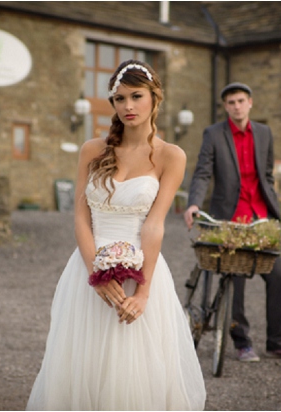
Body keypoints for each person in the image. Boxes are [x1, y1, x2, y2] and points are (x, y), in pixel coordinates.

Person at [26, 60, 206, 410]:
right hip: (86, 272)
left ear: (155, 98)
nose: (128, 106)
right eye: (119, 98)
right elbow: (81, 216)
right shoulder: (92, 150)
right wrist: (96, 272)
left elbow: (154, 224)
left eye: (136, 96)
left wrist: (143, 291)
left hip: (142, 270)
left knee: (134, 375)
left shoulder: (172, 156)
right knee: (82, 368)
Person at [183, 82, 281, 362]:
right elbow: (203, 173)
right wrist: (194, 203)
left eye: (241, 101)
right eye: (231, 102)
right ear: (226, 107)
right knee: (235, 280)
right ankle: (243, 344)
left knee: (278, 275)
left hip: (261, 218)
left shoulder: (264, 133)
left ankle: (278, 342)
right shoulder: (214, 134)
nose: (236, 106)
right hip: (230, 219)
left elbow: (267, 174)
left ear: (250, 102)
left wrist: (272, 204)